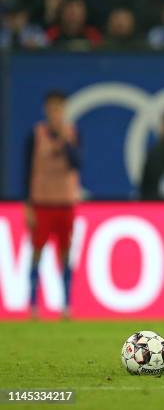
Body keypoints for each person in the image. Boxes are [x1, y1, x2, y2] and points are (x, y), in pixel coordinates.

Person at [25, 90, 81, 318]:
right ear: (46, 109)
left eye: (59, 108)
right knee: (37, 251)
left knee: (66, 251)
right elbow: (25, 170)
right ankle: (32, 304)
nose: (55, 112)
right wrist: (26, 204)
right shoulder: (36, 134)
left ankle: (66, 304)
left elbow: (76, 163)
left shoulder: (72, 133)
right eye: (52, 108)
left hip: (66, 201)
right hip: (42, 201)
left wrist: (65, 141)